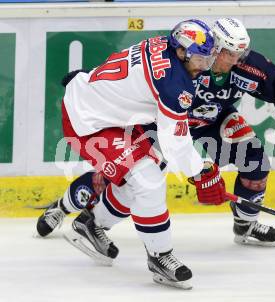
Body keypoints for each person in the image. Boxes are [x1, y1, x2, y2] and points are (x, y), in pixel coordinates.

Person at [37, 18, 275, 249]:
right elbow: (138, 76)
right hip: (164, 124)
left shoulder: (248, 65)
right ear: (213, 46)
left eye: (240, 53)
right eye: (228, 52)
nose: (235, 60)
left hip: (213, 119)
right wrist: (94, 80)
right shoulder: (188, 59)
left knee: (255, 161)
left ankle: (246, 224)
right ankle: (64, 205)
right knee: (128, 177)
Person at [45, 19, 227, 290]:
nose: (205, 66)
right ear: (181, 52)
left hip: (109, 112)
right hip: (87, 121)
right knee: (147, 179)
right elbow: (175, 140)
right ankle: (159, 256)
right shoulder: (174, 83)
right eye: (200, 59)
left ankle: (90, 224)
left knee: (143, 179)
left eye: (208, 58)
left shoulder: (164, 44)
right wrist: (200, 173)